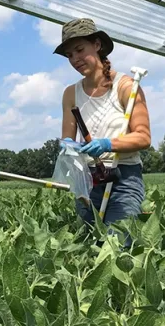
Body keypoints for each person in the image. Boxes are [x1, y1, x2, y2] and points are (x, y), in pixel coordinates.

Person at [55, 18, 151, 228]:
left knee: (118, 243)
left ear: (97, 45)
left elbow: (143, 137)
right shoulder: (71, 93)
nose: (75, 59)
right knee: (90, 243)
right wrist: (69, 147)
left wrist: (108, 144)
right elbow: (68, 139)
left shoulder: (126, 86)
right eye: (69, 55)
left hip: (123, 177)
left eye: (79, 50)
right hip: (88, 180)